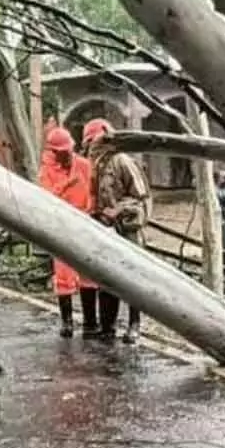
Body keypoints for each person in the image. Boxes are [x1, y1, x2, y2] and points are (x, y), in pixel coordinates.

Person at [82, 118, 151, 344]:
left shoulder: (122, 161)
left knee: (132, 278)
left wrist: (118, 209)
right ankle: (108, 326)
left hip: (127, 227)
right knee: (106, 277)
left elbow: (142, 198)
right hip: (104, 228)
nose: (91, 147)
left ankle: (134, 324)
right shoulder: (93, 166)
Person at [38, 126, 97, 338]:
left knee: (88, 273)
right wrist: (66, 183)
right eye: (62, 152)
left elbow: (94, 189)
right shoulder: (47, 171)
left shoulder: (84, 165)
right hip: (61, 225)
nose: (67, 154)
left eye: (69, 150)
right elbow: (46, 198)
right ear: (54, 152)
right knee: (63, 275)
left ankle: (91, 323)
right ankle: (67, 322)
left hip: (85, 221)